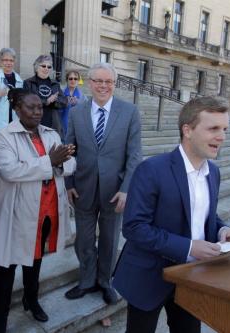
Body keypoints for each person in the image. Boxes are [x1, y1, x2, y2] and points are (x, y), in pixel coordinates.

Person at [112, 97, 230, 333]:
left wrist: (223, 229)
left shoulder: (213, 172)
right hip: (148, 276)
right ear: (188, 130)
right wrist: (189, 247)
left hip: (192, 279)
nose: (222, 136)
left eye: (224, 129)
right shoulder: (151, 169)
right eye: (213, 128)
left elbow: (202, 217)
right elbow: (133, 227)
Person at [0, 88, 76, 333]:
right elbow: (10, 171)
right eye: (30, 107)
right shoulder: (4, 136)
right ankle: (0, 319)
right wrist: (50, 162)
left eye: (40, 107)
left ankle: (31, 300)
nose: (37, 112)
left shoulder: (51, 133)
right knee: (5, 268)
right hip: (15, 214)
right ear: (16, 109)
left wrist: (56, 164)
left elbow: (71, 164)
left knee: (34, 262)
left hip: (45, 211)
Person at [64, 62, 142, 305]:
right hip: (83, 187)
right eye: (98, 81)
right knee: (84, 240)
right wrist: (68, 183)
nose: (103, 86)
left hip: (114, 191)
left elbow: (135, 155)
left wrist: (126, 189)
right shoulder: (77, 112)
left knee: (109, 239)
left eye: (108, 81)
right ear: (89, 82)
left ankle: (106, 282)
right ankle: (87, 281)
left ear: (114, 84)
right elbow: (69, 150)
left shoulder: (129, 112)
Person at [0, 47, 23, 180]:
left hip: (13, 125)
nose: (8, 63)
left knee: (12, 156)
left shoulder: (19, 80)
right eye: (5, 60)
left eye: (11, 60)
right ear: (0, 61)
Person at [23, 54, 67, 136]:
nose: (46, 68)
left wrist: (54, 101)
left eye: (49, 67)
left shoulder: (55, 84)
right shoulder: (28, 83)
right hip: (34, 123)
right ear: (36, 67)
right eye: (43, 66)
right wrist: (46, 101)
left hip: (52, 125)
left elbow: (64, 101)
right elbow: (27, 102)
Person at [60, 69, 84, 139]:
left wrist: (78, 103)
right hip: (62, 125)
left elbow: (86, 110)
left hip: (76, 127)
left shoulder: (82, 95)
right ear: (67, 80)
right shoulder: (61, 92)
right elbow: (56, 109)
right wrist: (64, 103)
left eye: (75, 79)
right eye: (70, 78)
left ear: (78, 81)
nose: (73, 81)